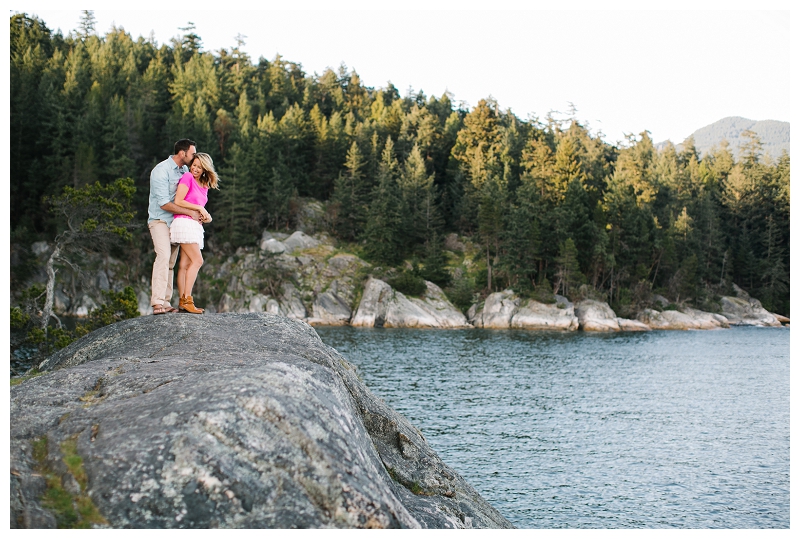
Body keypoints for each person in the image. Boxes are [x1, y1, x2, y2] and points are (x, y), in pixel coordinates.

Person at [147, 139, 203, 315]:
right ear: (182, 153)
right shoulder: (161, 171)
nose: (194, 157)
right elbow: (164, 203)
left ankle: (166, 301)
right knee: (163, 256)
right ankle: (157, 303)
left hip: (177, 223)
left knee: (171, 263)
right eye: (192, 153)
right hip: (159, 220)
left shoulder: (185, 170)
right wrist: (192, 212)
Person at [170, 152, 220, 314]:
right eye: (194, 165)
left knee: (185, 264)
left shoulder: (204, 186)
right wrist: (199, 208)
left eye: (199, 167)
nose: (195, 169)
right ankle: (188, 299)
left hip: (194, 225)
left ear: (205, 169)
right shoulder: (187, 177)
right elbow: (178, 201)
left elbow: (199, 206)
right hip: (184, 223)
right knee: (197, 260)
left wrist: (206, 216)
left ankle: (183, 302)